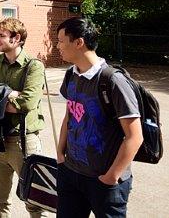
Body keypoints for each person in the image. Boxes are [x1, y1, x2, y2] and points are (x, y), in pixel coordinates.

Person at [55, 17, 142, 218]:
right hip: (71, 173)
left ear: (79, 42)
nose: (57, 45)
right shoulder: (71, 75)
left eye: (60, 40)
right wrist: (60, 154)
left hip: (104, 181)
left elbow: (134, 136)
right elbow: (69, 117)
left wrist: (111, 177)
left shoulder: (113, 81)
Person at [0, 17, 47, 218]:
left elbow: (26, 104)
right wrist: (10, 93)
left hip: (24, 142)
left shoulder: (33, 66)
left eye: (1, 36)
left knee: (34, 202)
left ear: (16, 38)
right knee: (0, 201)